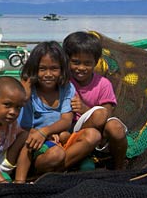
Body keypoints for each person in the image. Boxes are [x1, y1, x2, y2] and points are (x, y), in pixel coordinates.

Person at [14, 41, 101, 183]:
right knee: (56, 154)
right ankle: (39, 171)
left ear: (62, 69)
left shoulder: (66, 87)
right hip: (36, 144)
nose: (48, 74)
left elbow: (66, 121)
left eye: (54, 69)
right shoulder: (28, 92)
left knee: (94, 135)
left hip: (58, 138)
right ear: (34, 69)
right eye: (42, 69)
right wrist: (26, 91)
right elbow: (22, 127)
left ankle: (55, 170)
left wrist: (45, 131)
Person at [62, 31, 128, 170]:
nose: (81, 68)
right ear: (66, 60)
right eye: (75, 62)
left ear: (96, 63)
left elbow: (106, 114)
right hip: (73, 130)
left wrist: (84, 109)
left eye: (87, 63)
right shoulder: (64, 80)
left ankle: (119, 168)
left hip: (98, 127)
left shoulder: (103, 84)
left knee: (115, 127)